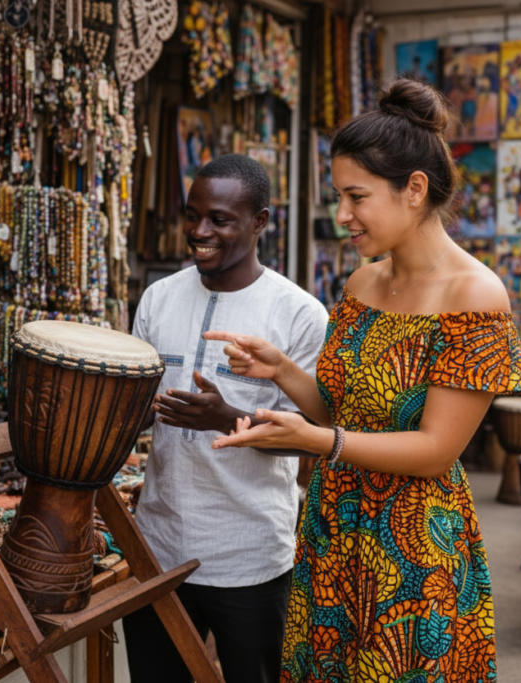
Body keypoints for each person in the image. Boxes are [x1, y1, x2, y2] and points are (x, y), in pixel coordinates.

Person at [205, 79, 521, 682]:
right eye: (338, 196)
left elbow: (436, 451)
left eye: (356, 197)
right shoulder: (362, 284)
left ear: (414, 190)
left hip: (411, 550)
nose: (342, 216)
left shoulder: (475, 297)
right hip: (333, 531)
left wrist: (316, 443)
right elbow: (336, 411)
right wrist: (284, 370)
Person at [124, 154, 329, 683]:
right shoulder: (158, 298)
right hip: (160, 546)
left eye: (219, 219)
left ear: (260, 221)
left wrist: (226, 418)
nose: (199, 231)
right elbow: (140, 411)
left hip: (250, 555)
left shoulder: (299, 313)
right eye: (192, 215)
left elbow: (311, 441)